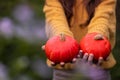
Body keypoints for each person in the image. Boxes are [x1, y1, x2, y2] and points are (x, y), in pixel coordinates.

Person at [42, 0, 117, 80]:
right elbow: (55, 17)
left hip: (97, 70)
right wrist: (62, 37)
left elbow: (102, 17)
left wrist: (96, 35)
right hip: (63, 72)